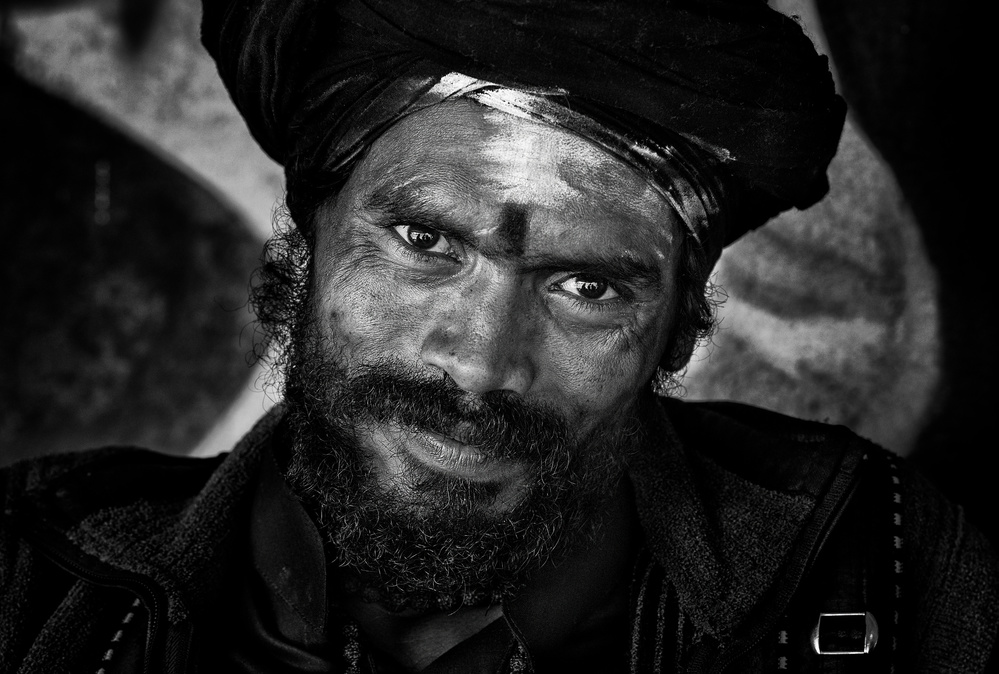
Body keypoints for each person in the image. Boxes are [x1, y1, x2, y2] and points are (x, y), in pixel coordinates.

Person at [1, 0, 996, 672]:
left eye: (587, 284)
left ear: (679, 331)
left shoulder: (883, 561)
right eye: (424, 240)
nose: (480, 363)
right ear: (300, 252)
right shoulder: (29, 579)